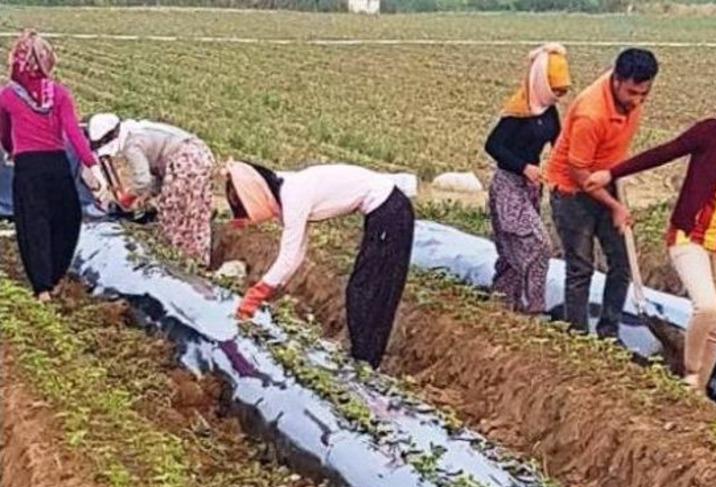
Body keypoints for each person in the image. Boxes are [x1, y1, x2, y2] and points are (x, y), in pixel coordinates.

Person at [587, 79, 716, 391]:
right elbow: (665, 152)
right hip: (690, 235)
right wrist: (612, 173)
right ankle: (691, 373)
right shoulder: (711, 133)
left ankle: (697, 395)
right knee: (707, 306)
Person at [224, 159, 415, 368]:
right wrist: (269, 287)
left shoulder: (293, 196)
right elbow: (297, 253)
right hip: (386, 211)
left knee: (368, 292)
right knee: (364, 290)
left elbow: (289, 255)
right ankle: (364, 359)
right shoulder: (290, 189)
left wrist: (257, 294)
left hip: (390, 212)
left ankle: (366, 363)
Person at [546, 47, 658, 337]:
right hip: (572, 191)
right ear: (617, 80)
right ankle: (577, 337)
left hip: (605, 182)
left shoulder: (630, 100)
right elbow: (579, 172)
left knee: (621, 263)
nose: (637, 101)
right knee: (581, 267)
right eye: (632, 93)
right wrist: (615, 206)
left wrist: (616, 186)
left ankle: (609, 332)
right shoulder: (591, 113)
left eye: (644, 94)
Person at [0, 30, 101, 302]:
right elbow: (74, 133)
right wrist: (92, 165)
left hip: (28, 167)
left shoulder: (8, 96)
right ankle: (55, 277)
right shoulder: (59, 94)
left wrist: (14, 152)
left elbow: (4, 134)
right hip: (57, 165)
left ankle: (41, 287)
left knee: (33, 224)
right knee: (67, 219)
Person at [484, 44, 570, 315]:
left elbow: (558, 145)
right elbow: (493, 145)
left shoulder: (549, 112)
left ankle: (501, 305)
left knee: (514, 251)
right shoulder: (517, 113)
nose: (558, 95)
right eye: (555, 89)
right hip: (509, 186)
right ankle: (534, 309)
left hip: (531, 188)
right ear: (540, 82)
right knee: (538, 244)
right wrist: (523, 167)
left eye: (561, 91)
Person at [88, 113, 216, 266]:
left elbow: (143, 180)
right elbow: (159, 175)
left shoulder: (132, 145)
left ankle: (175, 261)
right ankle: (198, 259)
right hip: (200, 155)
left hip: (187, 159)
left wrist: (128, 198)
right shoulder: (138, 131)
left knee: (173, 213)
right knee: (195, 213)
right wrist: (148, 194)